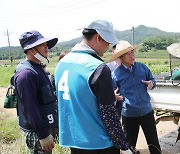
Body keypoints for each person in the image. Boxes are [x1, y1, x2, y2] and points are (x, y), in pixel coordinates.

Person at [55, 19, 130, 154]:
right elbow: (108, 114)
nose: (107, 47)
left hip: (74, 140)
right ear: (98, 37)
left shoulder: (62, 64)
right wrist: (123, 145)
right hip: (98, 143)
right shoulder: (97, 67)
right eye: (107, 43)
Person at [109, 40, 161, 154]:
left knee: (153, 142)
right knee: (130, 145)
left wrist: (152, 84)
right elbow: (112, 91)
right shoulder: (116, 74)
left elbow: (152, 80)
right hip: (129, 114)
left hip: (147, 111)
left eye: (132, 52)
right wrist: (114, 96)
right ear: (121, 57)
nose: (131, 55)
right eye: (127, 54)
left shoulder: (142, 67)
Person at [14, 30, 58, 154]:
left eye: (46, 44)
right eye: (42, 44)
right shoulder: (26, 74)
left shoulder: (39, 69)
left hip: (45, 127)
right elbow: (30, 107)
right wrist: (42, 134)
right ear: (31, 49)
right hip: (37, 133)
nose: (46, 47)